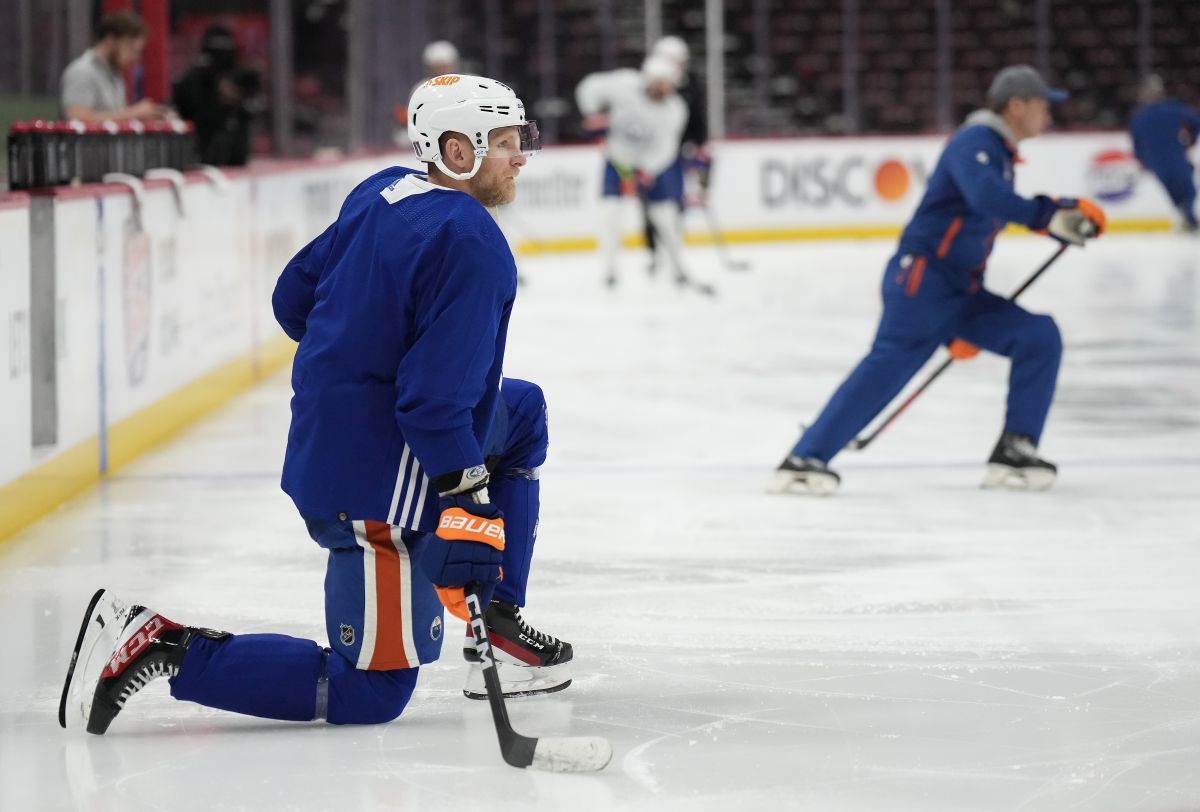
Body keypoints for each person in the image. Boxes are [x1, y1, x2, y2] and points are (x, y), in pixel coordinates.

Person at [60, 74, 574, 736]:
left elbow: (292, 299)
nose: (522, 157)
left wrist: (358, 366)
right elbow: (431, 407)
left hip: (341, 435)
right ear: (455, 150)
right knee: (373, 691)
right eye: (506, 142)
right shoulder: (473, 245)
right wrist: (467, 499)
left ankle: (495, 624)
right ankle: (159, 644)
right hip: (375, 481)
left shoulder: (385, 188)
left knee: (520, 413)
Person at [769, 65, 1106, 496]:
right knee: (890, 363)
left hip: (958, 292)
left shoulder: (999, 155)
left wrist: (965, 322)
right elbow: (987, 199)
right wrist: (1051, 213)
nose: (1049, 116)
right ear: (1016, 105)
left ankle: (1015, 448)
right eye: (1043, 106)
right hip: (924, 282)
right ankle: (805, 457)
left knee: (1038, 336)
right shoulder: (974, 143)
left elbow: (973, 227)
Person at [576, 55, 689, 288]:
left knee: (665, 215)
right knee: (610, 214)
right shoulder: (623, 84)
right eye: (660, 83)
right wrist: (592, 113)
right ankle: (610, 271)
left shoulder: (675, 109)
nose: (664, 88)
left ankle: (677, 268)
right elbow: (588, 87)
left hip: (649, 166)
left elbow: (666, 148)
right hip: (617, 159)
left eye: (668, 84)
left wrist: (645, 173)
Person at [642, 36, 709, 268]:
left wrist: (698, 144)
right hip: (650, 153)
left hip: (677, 152)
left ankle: (673, 249)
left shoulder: (691, 85)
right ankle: (654, 252)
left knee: (674, 202)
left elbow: (699, 119)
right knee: (649, 206)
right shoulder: (648, 85)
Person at [172, 23, 259, 166]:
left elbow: (250, 110)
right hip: (199, 151)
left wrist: (237, 99)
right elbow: (184, 109)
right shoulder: (195, 78)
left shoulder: (240, 76)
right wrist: (212, 93)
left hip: (235, 154)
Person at [60, 12, 166, 122]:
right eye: (131, 48)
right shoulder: (82, 71)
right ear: (110, 40)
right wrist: (133, 114)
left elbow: (116, 119)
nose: (135, 57)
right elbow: (78, 119)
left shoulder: (114, 75)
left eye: (138, 51)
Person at [1129, 75, 1200, 233]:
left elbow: (1136, 145)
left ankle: (1186, 217)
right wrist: (1192, 139)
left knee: (1174, 190)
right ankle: (1188, 218)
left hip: (1157, 161)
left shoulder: (1139, 116)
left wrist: (1142, 161)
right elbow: (1196, 120)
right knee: (1188, 189)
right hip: (1175, 156)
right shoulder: (1172, 108)